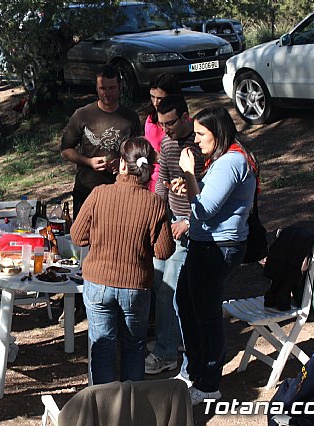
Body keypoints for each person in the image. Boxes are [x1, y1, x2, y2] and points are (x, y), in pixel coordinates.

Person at [169, 106, 257, 405]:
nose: (196, 140)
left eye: (201, 134)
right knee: (185, 303)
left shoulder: (231, 162)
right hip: (206, 245)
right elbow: (207, 198)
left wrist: (190, 174)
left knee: (206, 315)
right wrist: (193, 183)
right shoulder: (223, 160)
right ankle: (193, 370)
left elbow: (204, 210)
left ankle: (209, 384)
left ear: (217, 133)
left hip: (217, 248)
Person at [70, 136, 174, 385]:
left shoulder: (98, 194)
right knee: (134, 346)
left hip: (98, 282)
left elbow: (77, 236)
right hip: (136, 286)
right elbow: (163, 251)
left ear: (123, 166)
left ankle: (103, 408)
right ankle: (130, 405)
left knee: (102, 345)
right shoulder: (155, 204)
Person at [146, 94, 204, 377]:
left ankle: (167, 352)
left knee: (170, 288)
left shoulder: (202, 143)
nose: (165, 130)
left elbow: (212, 194)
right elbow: (161, 183)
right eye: (161, 124)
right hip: (169, 223)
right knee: (157, 280)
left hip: (193, 225)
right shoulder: (167, 143)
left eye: (170, 124)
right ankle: (172, 340)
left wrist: (189, 222)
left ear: (185, 117)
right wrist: (157, 217)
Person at [60, 64, 142, 219]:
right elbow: (66, 149)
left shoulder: (130, 117)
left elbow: (139, 153)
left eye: (111, 88)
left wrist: (124, 163)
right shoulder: (82, 115)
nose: (107, 93)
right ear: (97, 89)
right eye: (102, 88)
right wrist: (88, 161)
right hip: (87, 190)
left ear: (119, 87)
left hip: (120, 191)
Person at [144, 73, 182, 191]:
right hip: (151, 179)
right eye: (152, 97)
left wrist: (161, 158)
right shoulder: (150, 119)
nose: (155, 103)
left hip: (175, 181)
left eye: (160, 98)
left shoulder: (180, 123)